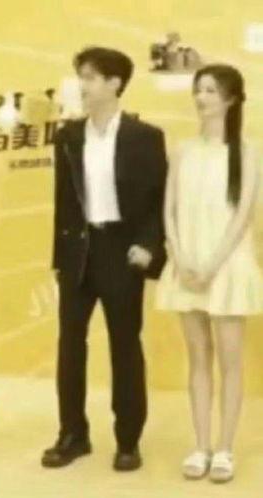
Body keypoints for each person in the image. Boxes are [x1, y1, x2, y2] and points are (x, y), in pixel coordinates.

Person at [42, 46, 168, 471]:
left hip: (122, 250)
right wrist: (59, 258)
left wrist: (149, 245)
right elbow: (63, 201)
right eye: (81, 76)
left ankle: (128, 439)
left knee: (125, 346)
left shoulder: (144, 137)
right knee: (70, 344)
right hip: (79, 250)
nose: (83, 84)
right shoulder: (68, 136)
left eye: (91, 77)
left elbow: (157, 200)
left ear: (115, 83)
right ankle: (72, 434)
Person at [156, 64, 263, 482]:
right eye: (198, 90)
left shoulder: (248, 152)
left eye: (211, 91)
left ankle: (225, 448)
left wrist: (213, 264)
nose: (201, 98)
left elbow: (243, 216)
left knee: (231, 362)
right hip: (187, 267)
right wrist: (181, 256)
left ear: (231, 99)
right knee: (198, 357)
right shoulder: (183, 150)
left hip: (227, 267)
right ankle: (200, 445)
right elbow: (169, 210)